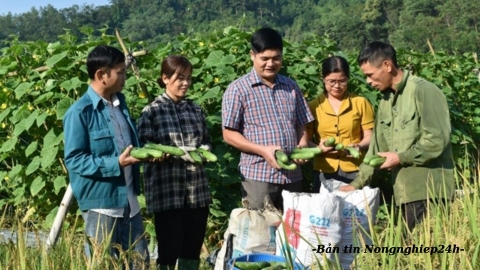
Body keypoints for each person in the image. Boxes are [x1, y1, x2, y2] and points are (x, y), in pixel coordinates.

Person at [339, 41, 454, 233]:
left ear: (387, 65)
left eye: (370, 75)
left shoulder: (423, 91)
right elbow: (376, 149)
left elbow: (436, 140)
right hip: (404, 192)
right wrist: (356, 185)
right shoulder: (385, 101)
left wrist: (401, 157)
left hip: (429, 190)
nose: (368, 81)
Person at [63, 45, 149, 269]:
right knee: (104, 264)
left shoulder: (120, 103)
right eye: (120, 72)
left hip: (129, 202)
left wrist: (145, 155)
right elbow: (74, 159)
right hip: (102, 205)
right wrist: (115, 163)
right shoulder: (80, 112)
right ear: (102, 75)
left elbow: (128, 144)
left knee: (140, 263)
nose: (125, 76)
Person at [221, 27, 314, 211]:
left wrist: (302, 146)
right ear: (252, 56)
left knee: (292, 230)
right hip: (258, 176)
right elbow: (229, 134)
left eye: (276, 58)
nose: (271, 63)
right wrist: (262, 150)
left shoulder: (291, 86)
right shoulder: (238, 89)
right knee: (260, 232)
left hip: (292, 175)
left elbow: (301, 124)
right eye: (265, 58)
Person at [137, 55, 212, 270]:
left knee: (192, 249)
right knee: (168, 251)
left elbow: (207, 141)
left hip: (196, 193)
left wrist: (203, 151)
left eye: (189, 78)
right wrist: (156, 153)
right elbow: (144, 145)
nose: (186, 83)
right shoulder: (151, 111)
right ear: (165, 78)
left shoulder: (195, 110)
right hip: (167, 193)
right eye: (180, 78)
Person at [307, 56, 374, 192]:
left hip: (355, 169)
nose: (337, 86)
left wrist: (359, 146)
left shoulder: (360, 103)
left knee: (354, 211)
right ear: (323, 78)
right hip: (324, 169)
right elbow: (305, 140)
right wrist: (318, 147)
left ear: (348, 78)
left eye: (342, 81)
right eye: (331, 81)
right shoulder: (313, 106)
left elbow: (370, 136)